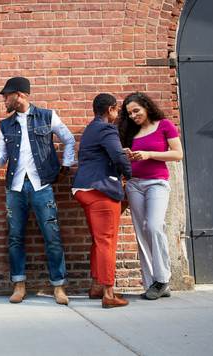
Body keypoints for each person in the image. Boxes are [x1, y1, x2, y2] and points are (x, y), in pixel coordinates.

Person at [0, 76, 75, 305]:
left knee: (52, 236)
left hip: (41, 184)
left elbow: (69, 140)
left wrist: (65, 167)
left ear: (20, 95)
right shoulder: (5, 125)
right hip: (15, 187)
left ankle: (58, 286)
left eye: (7, 95)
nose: (4, 100)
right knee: (15, 237)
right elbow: (2, 161)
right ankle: (19, 284)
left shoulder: (47, 116)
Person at [117, 92, 183, 300]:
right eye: (129, 113)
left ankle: (162, 279)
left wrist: (149, 154)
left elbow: (177, 154)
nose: (134, 115)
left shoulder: (164, 125)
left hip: (157, 183)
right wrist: (128, 155)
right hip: (134, 184)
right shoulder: (130, 131)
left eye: (136, 110)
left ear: (146, 107)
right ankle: (150, 282)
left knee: (154, 226)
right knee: (141, 232)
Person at [72, 94, 132, 308]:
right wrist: (129, 173)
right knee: (107, 240)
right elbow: (117, 156)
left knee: (99, 240)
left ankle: (97, 285)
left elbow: (103, 155)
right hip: (101, 189)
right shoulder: (107, 129)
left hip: (85, 189)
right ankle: (108, 292)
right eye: (116, 110)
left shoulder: (91, 128)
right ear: (111, 109)